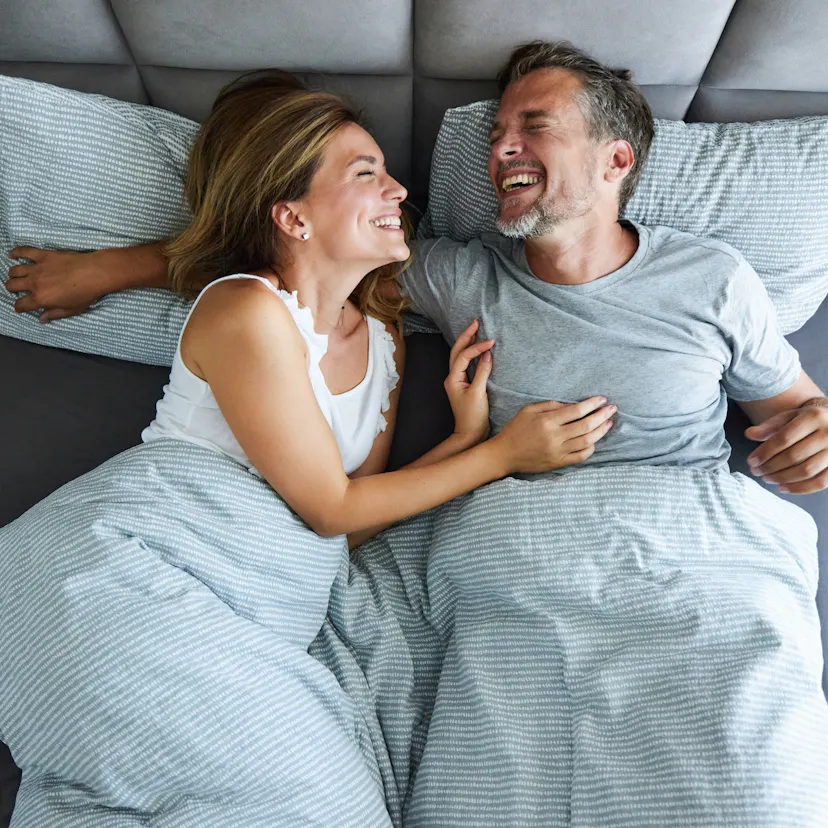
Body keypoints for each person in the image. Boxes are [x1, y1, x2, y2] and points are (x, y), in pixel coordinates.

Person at [8, 46, 828, 492]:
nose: (500, 148)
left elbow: (793, 406)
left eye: (534, 126)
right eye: (497, 133)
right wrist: (110, 268)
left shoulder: (717, 276)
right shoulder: (456, 276)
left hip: (691, 534)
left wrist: (817, 435)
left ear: (616, 159)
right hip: (526, 548)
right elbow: (292, 258)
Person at [5, 68, 614, 545]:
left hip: (271, 579)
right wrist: (500, 456)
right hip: (160, 537)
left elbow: (354, 522)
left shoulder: (384, 337)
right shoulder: (246, 310)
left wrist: (468, 436)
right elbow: (331, 510)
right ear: (293, 217)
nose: (399, 190)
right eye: (366, 173)